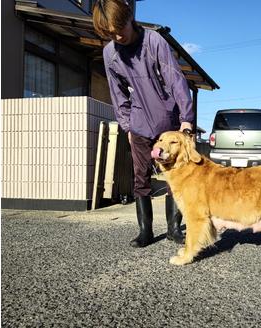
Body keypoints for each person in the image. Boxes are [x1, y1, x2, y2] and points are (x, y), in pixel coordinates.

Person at [92, 0, 193, 247]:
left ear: (129, 17)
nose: (117, 36)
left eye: (119, 28)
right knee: (141, 177)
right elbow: (118, 94)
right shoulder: (110, 53)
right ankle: (145, 231)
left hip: (167, 123)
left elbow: (175, 79)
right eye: (110, 33)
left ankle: (173, 229)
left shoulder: (153, 41)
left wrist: (186, 120)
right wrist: (127, 126)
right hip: (138, 125)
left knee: (175, 176)